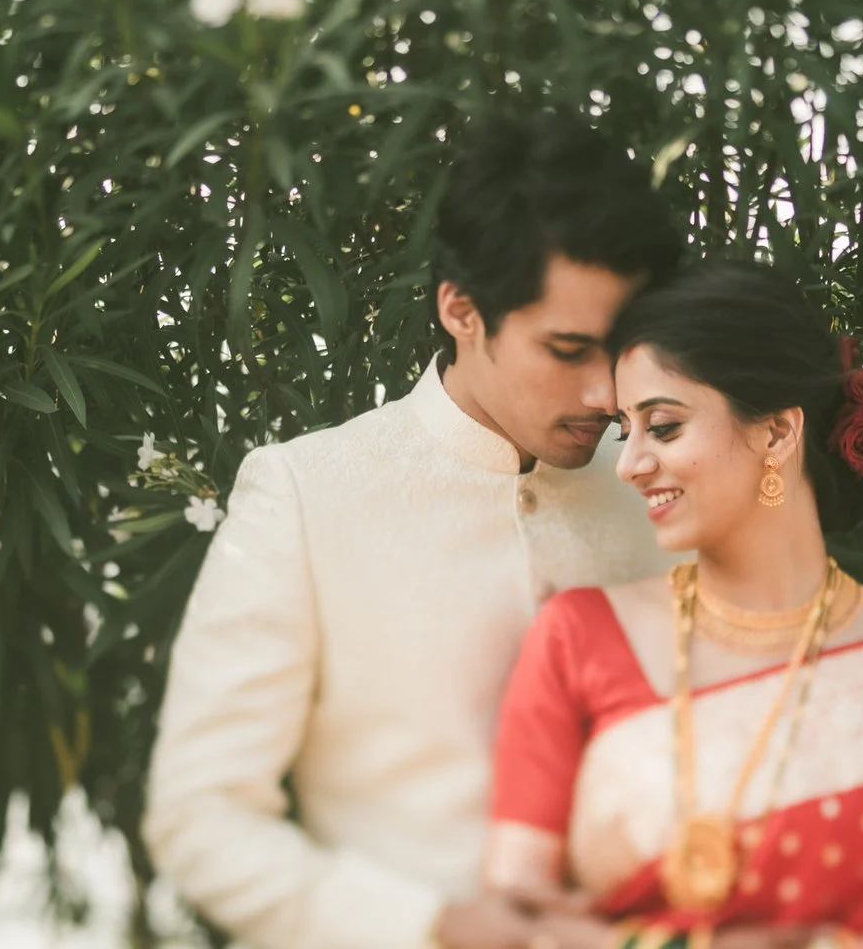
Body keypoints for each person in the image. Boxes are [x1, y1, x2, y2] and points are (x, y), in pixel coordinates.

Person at [143, 110, 684, 949]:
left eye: (621, 349)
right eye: (566, 348)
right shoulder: (307, 494)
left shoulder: (665, 490)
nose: (604, 393)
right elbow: (198, 814)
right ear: (461, 309)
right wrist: (433, 925)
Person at [482, 262, 863, 949]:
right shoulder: (579, 639)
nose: (629, 464)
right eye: (625, 430)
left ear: (776, 433)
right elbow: (513, 926)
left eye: (664, 426)